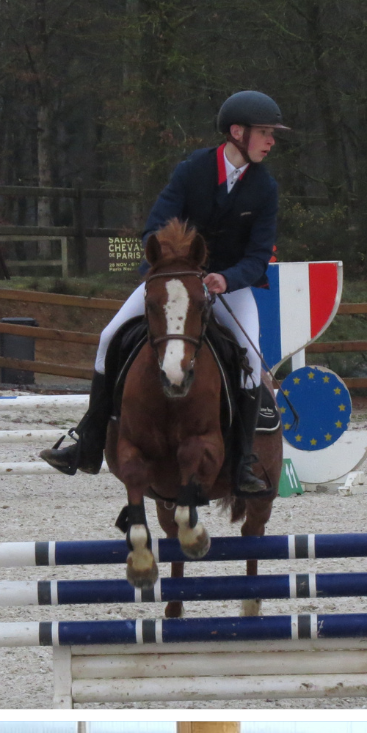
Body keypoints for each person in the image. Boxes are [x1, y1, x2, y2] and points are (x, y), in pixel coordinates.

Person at [40, 90, 285, 497]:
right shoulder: (192, 171)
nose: (271, 141)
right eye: (264, 133)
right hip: (175, 281)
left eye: (271, 134)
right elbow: (155, 225)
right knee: (107, 338)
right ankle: (87, 442)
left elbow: (260, 255)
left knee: (249, 357)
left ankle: (243, 461)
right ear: (237, 133)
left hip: (229, 287)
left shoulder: (265, 188)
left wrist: (227, 277)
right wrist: (175, 265)